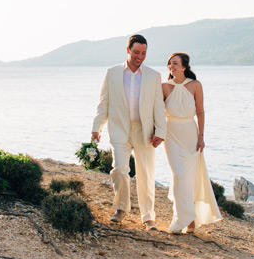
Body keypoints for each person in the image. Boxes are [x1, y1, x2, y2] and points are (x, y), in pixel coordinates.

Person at [91, 34, 167, 230]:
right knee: (119, 170)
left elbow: (158, 106)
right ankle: (121, 208)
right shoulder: (113, 72)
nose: (140, 57)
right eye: (136, 52)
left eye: (143, 53)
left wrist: (161, 132)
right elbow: (104, 103)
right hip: (119, 129)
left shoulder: (153, 76)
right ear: (128, 50)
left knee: (146, 174)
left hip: (145, 131)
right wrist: (96, 127)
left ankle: (148, 216)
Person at [162, 52, 221, 234]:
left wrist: (201, 136)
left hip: (190, 135)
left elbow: (201, 112)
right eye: (170, 64)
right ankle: (182, 218)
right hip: (171, 134)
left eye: (176, 64)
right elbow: (156, 112)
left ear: (184, 66)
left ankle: (190, 220)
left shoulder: (195, 85)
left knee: (189, 178)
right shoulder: (163, 87)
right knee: (178, 175)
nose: (172, 67)